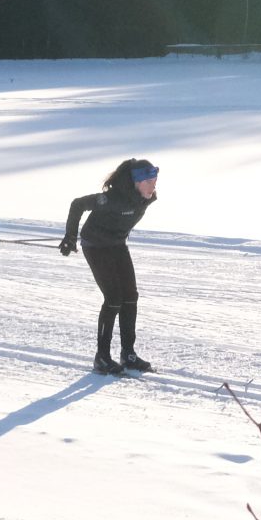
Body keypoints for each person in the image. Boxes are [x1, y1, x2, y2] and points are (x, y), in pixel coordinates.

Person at [60, 158, 158, 375]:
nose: (154, 185)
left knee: (130, 296)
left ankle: (128, 354)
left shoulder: (147, 197)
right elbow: (78, 204)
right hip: (95, 246)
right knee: (114, 298)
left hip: (117, 244)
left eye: (155, 180)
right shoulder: (111, 199)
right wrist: (70, 236)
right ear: (136, 181)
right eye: (149, 181)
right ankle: (102, 357)